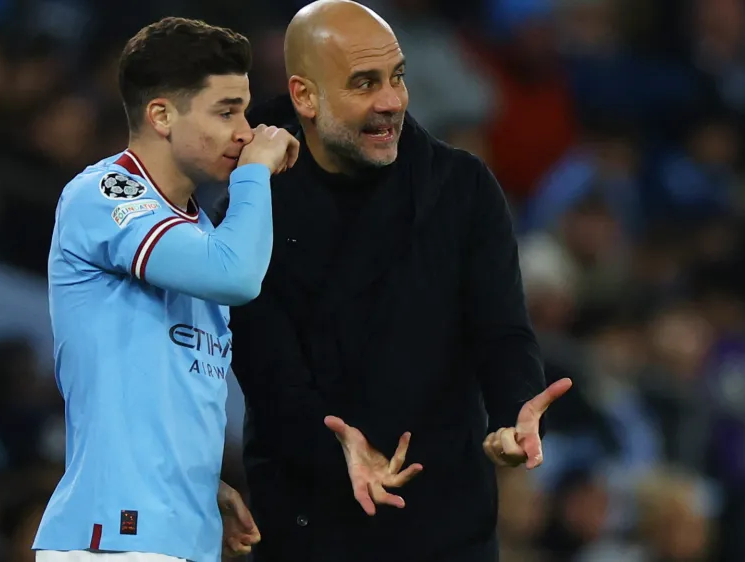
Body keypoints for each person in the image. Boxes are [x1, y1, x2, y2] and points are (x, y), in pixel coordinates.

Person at [229, 2, 571, 561]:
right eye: (365, 83)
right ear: (305, 96)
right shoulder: (250, 195)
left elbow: (503, 332)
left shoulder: (463, 188)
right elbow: (269, 374)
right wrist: (335, 448)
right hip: (306, 526)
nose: (392, 101)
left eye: (398, 77)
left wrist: (514, 413)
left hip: (446, 529)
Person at [34, 17, 300, 562]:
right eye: (226, 111)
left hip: (175, 536)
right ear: (161, 115)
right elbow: (237, 277)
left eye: (244, 111)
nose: (245, 132)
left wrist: (198, 491)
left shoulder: (199, 232)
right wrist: (254, 176)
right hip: (113, 539)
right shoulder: (104, 193)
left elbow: (168, 396)